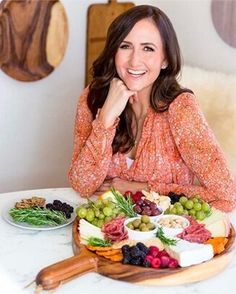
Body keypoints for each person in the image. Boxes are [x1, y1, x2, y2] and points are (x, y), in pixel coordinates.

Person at [68, 5, 236, 212]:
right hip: (103, 232)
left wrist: (140, 188)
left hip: (165, 235)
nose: (134, 60)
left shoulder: (181, 108)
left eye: (148, 48)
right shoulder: (92, 98)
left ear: (164, 59)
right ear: (113, 52)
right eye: (125, 46)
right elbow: (82, 185)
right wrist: (106, 119)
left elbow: (225, 195)